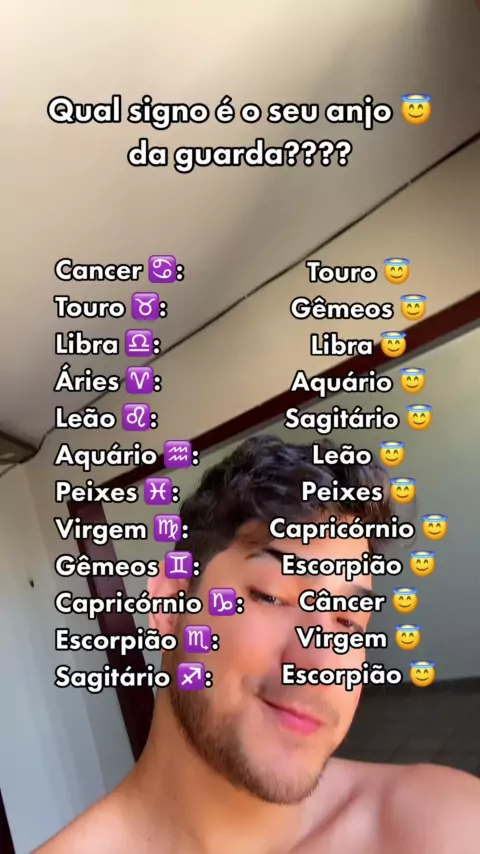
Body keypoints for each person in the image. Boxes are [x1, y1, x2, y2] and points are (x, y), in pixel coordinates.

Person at [36, 435, 480, 853]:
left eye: (348, 621)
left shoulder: (439, 826)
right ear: (171, 605)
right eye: (271, 596)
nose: (321, 661)